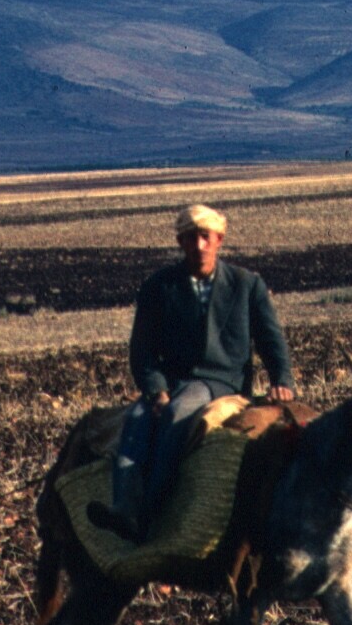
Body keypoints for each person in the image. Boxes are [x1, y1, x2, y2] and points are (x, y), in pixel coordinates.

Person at [113, 203, 295, 529]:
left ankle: (153, 514)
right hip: (172, 378)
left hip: (220, 381)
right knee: (137, 419)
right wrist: (156, 390)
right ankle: (123, 509)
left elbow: (271, 341)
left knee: (180, 411)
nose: (199, 246)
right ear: (180, 243)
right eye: (190, 238)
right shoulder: (159, 287)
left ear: (219, 239)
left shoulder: (246, 284)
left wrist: (282, 380)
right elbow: (141, 351)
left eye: (205, 237)